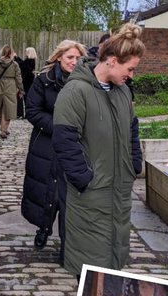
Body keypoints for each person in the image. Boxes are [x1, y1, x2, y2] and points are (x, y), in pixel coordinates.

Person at [52, 23, 145, 275]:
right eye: (130, 69)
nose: (132, 76)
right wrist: (84, 179)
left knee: (113, 264)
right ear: (112, 61)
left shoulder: (123, 91)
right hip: (90, 196)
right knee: (91, 269)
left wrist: (134, 165)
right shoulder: (76, 92)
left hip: (118, 191)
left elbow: (132, 130)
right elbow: (65, 142)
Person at [21, 40, 87, 260]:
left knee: (69, 195)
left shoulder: (87, 83)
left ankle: (69, 244)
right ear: (59, 57)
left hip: (76, 146)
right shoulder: (44, 81)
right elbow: (32, 110)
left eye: (78, 58)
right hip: (47, 144)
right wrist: (58, 128)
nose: (74, 62)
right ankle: (44, 228)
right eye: (70, 57)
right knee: (47, 190)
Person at [16, 46, 37, 119]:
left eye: (26, 52)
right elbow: (23, 64)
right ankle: (26, 114)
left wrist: (16, 58)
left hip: (27, 81)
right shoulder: (30, 60)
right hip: (29, 80)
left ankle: (27, 114)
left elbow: (22, 65)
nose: (25, 53)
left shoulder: (30, 60)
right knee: (26, 97)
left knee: (26, 97)